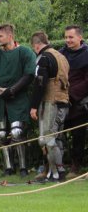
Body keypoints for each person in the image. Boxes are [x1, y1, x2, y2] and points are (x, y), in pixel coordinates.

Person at [0, 24, 36, 176]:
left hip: (18, 98)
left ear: (10, 36)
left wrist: (12, 90)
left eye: (0, 36)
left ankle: (24, 167)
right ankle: (8, 167)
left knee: (17, 132)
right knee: (1, 134)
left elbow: (29, 74)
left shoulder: (24, 52)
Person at [29, 31, 69, 181]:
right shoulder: (61, 56)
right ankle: (55, 171)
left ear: (37, 45)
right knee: (52, 138)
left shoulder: (44, 58)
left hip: (50, 102)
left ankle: (57, 173)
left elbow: (40, 83)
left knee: (48, 139)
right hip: (63, 101)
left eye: (34, 48)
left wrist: (33, 106)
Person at [59, 25, 88, 177]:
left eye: (71, 37)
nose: (67, 40)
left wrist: (71, 95)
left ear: (79, 37)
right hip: (61, 101)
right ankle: (56, 166)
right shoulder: (61, 53)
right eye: (66, 37)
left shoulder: (87, 54)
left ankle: (76, 166)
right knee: (57, 134)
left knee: (78, 135)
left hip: (80, 103)